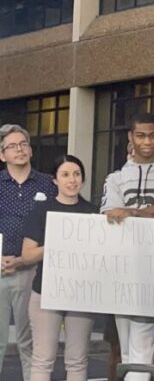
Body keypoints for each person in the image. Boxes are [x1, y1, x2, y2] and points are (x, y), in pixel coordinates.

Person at [100, 113, 154, 381]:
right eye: (140, 135)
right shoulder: (115, 178)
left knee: (143, 348)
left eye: (152, 135)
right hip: (120, 270)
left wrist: (133, 212)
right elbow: (111, 215)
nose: (147, 141)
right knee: (124, 349)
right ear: (131, 137)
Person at [21, 155, 97, 381]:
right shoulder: (41, 211)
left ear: (82, 178)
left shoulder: (93, 213)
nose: (72, 180)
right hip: (45, 292)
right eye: (65, 175)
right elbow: (27, 255)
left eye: (76, 174)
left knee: (77, 360)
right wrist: (55, 244)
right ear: (54, 180)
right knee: (43, 359)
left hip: (81, 293)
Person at [0, 124, 56, 381]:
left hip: (33, 271)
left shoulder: (48, 183)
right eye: (12, 146)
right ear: (2, 155)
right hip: (0, 269)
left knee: (29, 342)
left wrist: (25, 259)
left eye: (23, 144)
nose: (19, 149)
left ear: (31, 150)